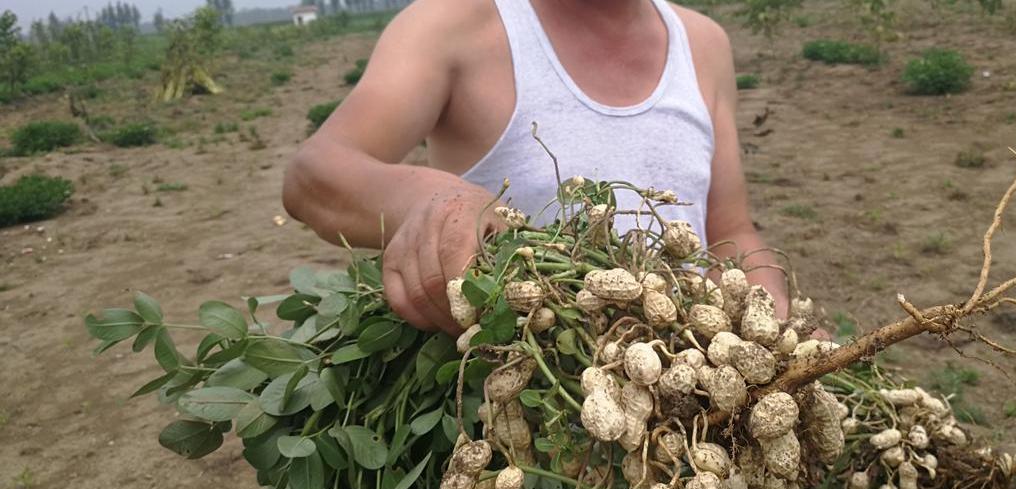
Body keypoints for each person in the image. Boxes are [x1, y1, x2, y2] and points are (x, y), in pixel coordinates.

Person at [282, 0, 789, 335]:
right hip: (523, 424)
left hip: (681, 421)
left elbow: (731, 229)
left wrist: (775, 327)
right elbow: (315, 174)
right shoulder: (455, 24)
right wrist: (427, 198)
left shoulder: (703, 43)